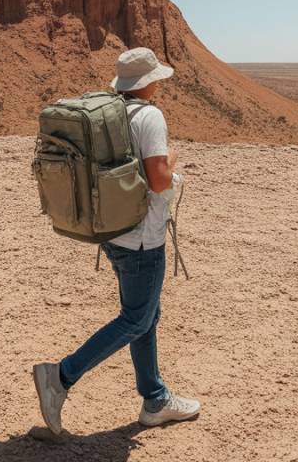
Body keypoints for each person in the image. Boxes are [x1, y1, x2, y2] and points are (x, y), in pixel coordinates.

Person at [32, 47, 201, 434]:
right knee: (136, 318)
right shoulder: (150, 116)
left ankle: (155, 399)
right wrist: (173, 163)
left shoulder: (111, 113)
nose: (159, 84)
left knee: (146, 316)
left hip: (113, 231)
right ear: (149, 82)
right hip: (143, 240)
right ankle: (60, 376)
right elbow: (158, 180)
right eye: (156, 78)